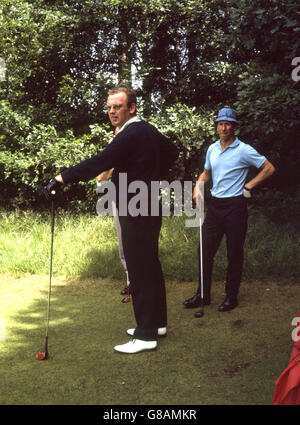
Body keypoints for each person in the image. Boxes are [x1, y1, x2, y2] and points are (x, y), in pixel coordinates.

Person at [46, 86, 178, 353]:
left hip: (135, 206)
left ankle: (144, 336)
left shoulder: (130, 133)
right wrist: (151, 175)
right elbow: (171, 152)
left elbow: (100, 162)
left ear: (132, 108)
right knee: (150, 264)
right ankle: (156, 324)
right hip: (149, 203)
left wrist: (62, 178)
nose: (112, 112)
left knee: (139, 268)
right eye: (109, 107)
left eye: (117, 106)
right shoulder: (148, 130)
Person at [183, 107, 275, 316]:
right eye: (220, 124)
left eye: (227, 124)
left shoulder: (244, 149)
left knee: (234, 253)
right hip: (215, 207)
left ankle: (231, 297)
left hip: (235, 206)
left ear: (234, 126)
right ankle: (203, 295)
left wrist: (249, 186)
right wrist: (198, 186)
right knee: (204, 250)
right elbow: (206, 173)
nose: (223, 127)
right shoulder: (212, 149)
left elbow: (269, 168)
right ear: (217, 126)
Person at [96, 128, 131, 302]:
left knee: (138, 245)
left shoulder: (138, 150)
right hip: (119, 201)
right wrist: (112, 157)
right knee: (123, 245)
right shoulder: (114, 154)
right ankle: (131, 281)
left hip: (140, 202)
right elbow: (101, 178)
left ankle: (142, 285)